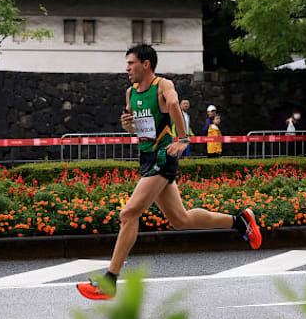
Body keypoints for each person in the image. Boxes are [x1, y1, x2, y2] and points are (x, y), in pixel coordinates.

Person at [77, 44, 262, 301]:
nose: (127, 68)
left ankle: (110, 280)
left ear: (145, 64)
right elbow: (140, 129)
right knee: (180, 220)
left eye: (131, 63)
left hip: (163, 157)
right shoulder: (131, 93)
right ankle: (240, 221)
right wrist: (129, 127)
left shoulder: (163, 85)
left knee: (129, 213)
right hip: (146, 158)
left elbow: (174, 104)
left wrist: (183, 139)